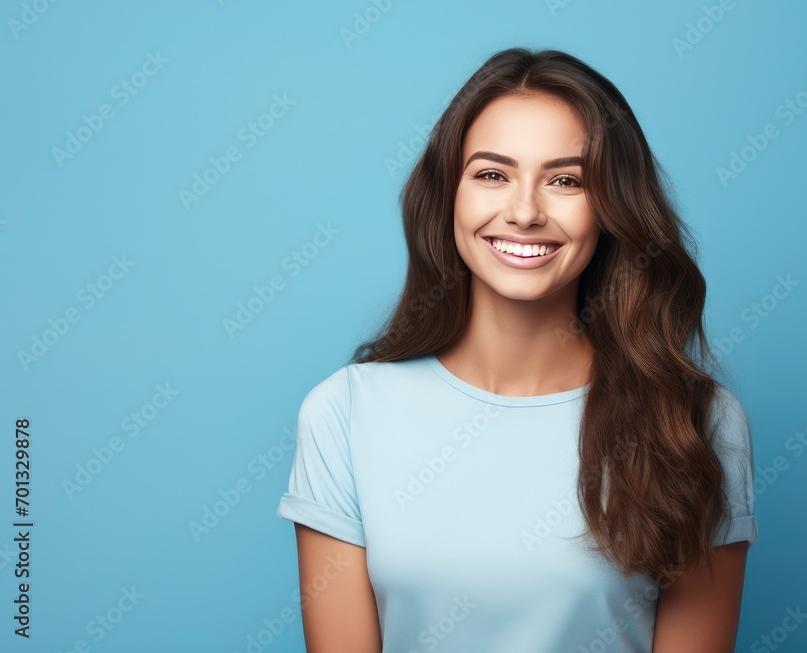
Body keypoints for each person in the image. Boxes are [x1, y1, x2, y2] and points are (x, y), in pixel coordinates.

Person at [276, 47, 758, 652]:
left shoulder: (695, 421)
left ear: (611, 208)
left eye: (565, 180)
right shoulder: (343, 414)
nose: (525, 211)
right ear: (448, 194)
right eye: (492, 174)